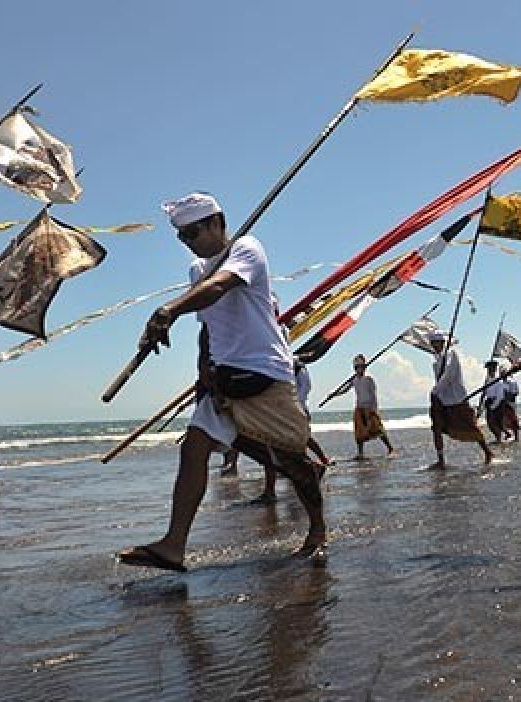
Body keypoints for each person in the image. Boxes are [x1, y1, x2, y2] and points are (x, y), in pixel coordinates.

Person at [117, 192, 327, 571]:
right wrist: (203, 373)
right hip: (223, 377)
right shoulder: (199, 271)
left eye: (193, 233)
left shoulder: (247, 249)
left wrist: (168, 310)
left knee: (292, 462)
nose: (189, 244)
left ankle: (317, 530)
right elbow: (208, 327)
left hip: (265, 373)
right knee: (193, 449)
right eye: (182, 237)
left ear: (216, 222)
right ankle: (173, 545)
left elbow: (219, 288)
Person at [427, 332, 494, 468]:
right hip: (442, 399)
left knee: (471, 427)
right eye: (433, 344)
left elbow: (449, 376)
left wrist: (435, 390)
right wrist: (437, 393)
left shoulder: (452, 356)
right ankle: (441, 460)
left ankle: (487, 452)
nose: (435, 346)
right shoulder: (437, 360)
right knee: (437, 428)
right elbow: (439, 379)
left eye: (437, 343)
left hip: (457, 399)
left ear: (443, 343)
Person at [350, 355, 394, 458]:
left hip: (369, 408)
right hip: (359, 407)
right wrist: (333, 394)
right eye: (357, 367)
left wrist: (373, 409)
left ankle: (390, 448)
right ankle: (360, 453)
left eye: (361, 367)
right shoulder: (354, 380)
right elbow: (345, 389)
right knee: (359, 432)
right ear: (355, 368)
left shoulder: (369, 379)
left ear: (364, 368)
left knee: (377, 429)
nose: (359, 369)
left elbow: (374, 395)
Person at [294, 357, 332, 467]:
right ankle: (304, 461)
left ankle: (322, 459)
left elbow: (306, 387)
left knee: (305, 437)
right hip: (291, 407)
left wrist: (297, 403)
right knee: (297, 438)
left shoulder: (300, 369)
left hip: (299, 408)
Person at [479, 360, 509, 442]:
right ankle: (502, 436)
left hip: (497, 403)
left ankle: (499, 438)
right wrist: (480, 404)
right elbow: (484, 392)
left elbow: (499, 396)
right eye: (488, 369)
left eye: (491, 369)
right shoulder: (487, 380)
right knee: (490, 423)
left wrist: (493, 406)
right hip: (489, 401)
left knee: (497, 422)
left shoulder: (498, 381)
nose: (489, 371)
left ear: (495, 370)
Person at [500, 366, 521, 442]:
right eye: (501, 374)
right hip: (502, 403)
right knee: (502, 420)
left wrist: (507, 396)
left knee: (513, 420)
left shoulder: (512, 382)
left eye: (503, 373)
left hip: (510, 403)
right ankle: (507, 434)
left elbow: (515, 393)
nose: (502, 375)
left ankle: (516, 437)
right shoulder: (500, 383)